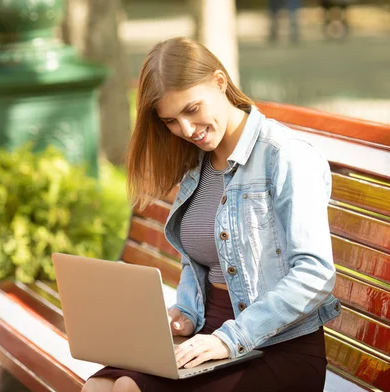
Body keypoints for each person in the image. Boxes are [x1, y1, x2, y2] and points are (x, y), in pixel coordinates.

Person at [81, 37, 341, 392]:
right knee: (98, 387)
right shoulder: (197, 164)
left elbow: (315, 274)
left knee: (128, 389)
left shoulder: (285, 155)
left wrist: (229, 339)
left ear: (220, 82)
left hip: (277, 347)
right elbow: (197, 260)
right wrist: (185, 314)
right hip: (206, 334)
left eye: (192, 110)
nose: (187, 131)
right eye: (171, 120)